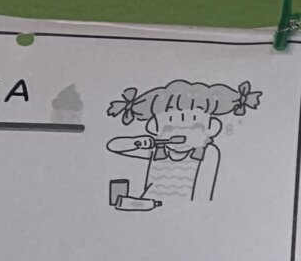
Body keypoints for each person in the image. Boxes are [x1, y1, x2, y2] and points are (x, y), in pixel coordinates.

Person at [105, 79, 261, 207]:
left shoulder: (208, 153)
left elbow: (203, 194)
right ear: (155, 128)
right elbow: (114, 146)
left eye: (195, 126)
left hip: (186, 216)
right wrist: (135, 142)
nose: (180, 133)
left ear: (210, 128)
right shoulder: (158, 150)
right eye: (169, 127)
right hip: (150, 208)